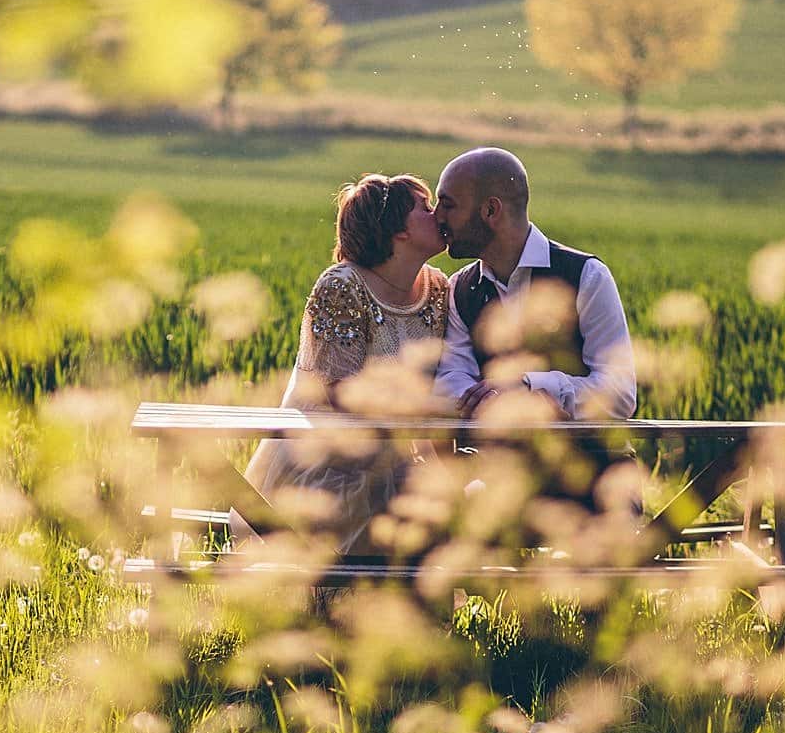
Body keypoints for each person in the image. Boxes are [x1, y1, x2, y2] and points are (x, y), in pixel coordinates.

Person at [243, 172, 450, 553]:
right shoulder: (342, 287)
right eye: (425, 207)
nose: (438, 213)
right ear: (398, 229)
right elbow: (334, 392)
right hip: (332, 460)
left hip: (405, 451)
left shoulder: (438, 289)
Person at [431, 146, 637, 422]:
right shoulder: (460, 287)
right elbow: (450, 380)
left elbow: (621, 394)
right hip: (496, 463)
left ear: (491, 210)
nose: (437, 217)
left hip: (596, 463)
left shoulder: (588, 276)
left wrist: (530, 384)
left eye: (448, 205)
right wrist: (499, 402)